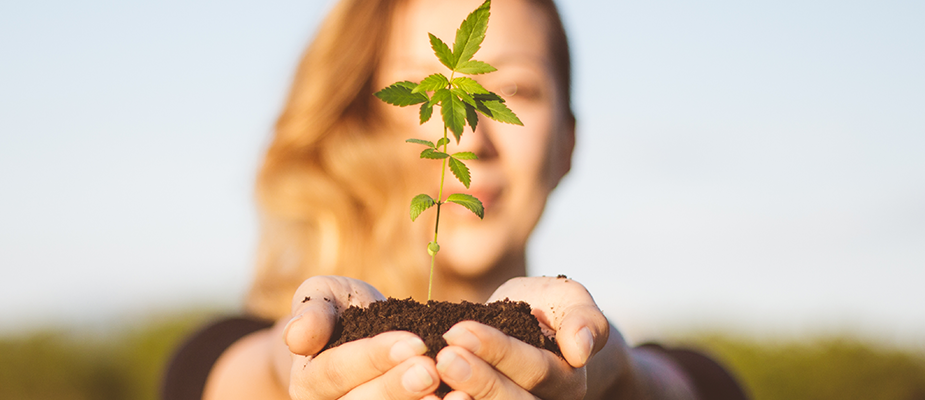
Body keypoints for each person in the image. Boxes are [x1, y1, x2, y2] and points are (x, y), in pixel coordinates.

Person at [164, 0, 748, 399]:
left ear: (567, 143)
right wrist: (309, 357)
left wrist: (616, 375)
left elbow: (683, 387)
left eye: (516, 88)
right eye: (428, 88)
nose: (470, 136)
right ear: (358, 130)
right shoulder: (220, 356)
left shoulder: (679, 380)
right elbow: (246, 373)